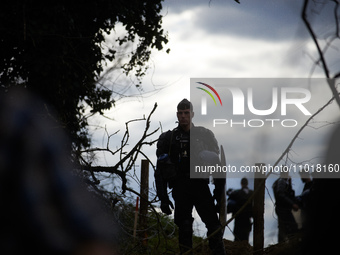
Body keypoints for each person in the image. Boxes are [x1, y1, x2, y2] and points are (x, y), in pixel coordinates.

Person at [155, 99, 226, 255]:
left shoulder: (205, 135)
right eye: (180, 113)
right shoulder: (169, 138)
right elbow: (160, 169)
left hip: (200, 185)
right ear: (177, 114)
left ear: (192, 114)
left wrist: (218, 193)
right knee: (185, 226)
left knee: (214, 226)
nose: (183, 116)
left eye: (186, 113)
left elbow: (217, 165)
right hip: (180, 187)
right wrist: (163, 198)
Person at [272, 171, 299, 242]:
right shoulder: (282, 181)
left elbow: (289, 194)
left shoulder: (278, 182)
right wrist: (292, 204)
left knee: (283, 228)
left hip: (281, 208)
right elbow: (280, 194)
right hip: (284, 209)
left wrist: (289, 185)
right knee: (292, 227)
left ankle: (283, 245)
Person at [227, 178, 253, 242]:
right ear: (247, 183)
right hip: (247, 218)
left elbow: (229, 200)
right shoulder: (252, 193)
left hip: (239, 218)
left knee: (237, 238)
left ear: (241, 183)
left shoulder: (236, 193)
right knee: (245, 238)